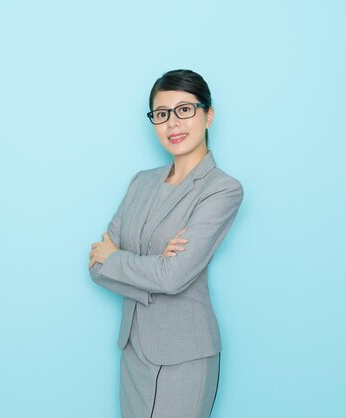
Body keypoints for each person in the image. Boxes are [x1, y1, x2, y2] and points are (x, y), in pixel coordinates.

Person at [88, 69, 244, 418]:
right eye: (162, 114)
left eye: (185, 110)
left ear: (209, 115)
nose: (173, 123)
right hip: (133, 351)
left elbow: (175, 277)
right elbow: (97, 266)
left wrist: (121, 260)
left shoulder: (221, 189)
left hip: (185, 354)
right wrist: (154, 268)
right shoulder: (141, 183)